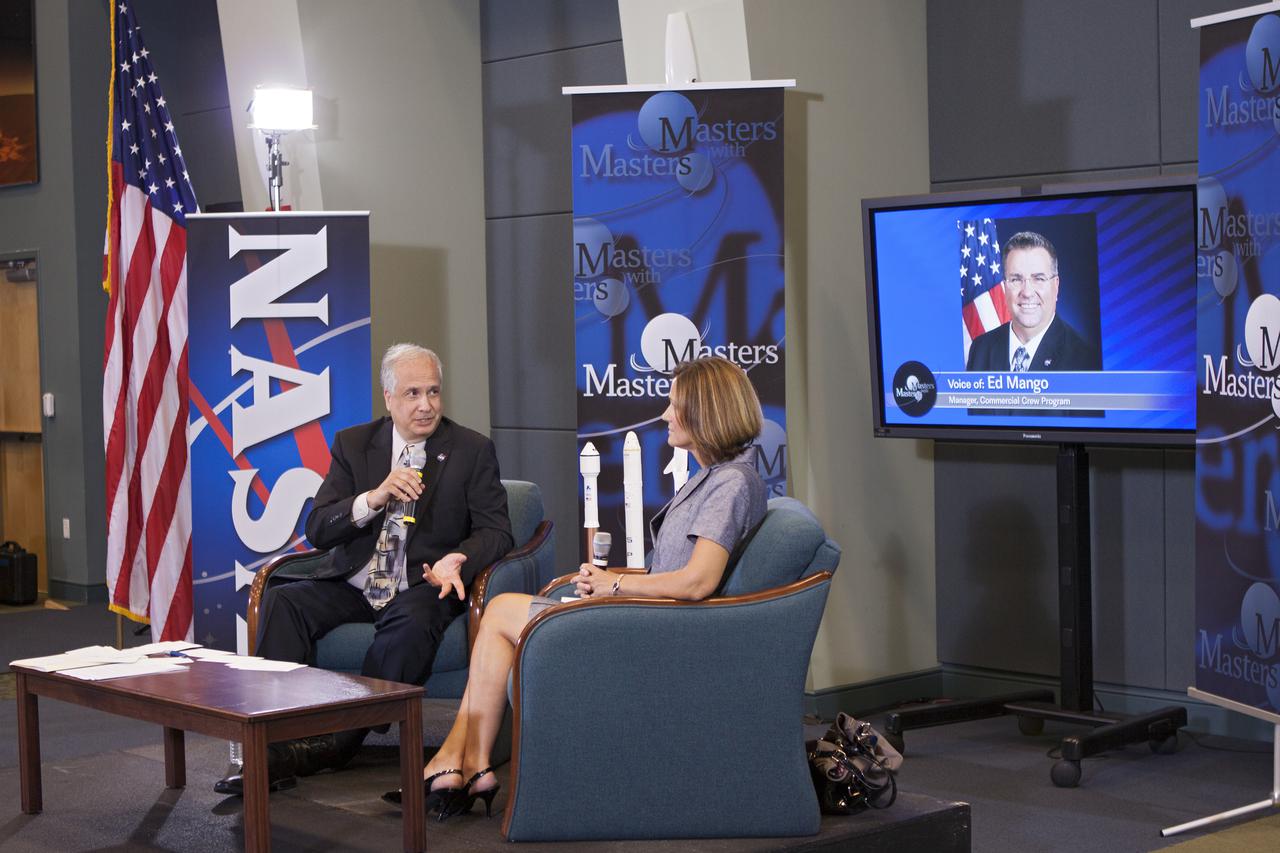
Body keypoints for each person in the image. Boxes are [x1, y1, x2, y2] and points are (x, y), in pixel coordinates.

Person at [383, 355, 768, 819]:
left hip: (664, 634)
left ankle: (458, 763)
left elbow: (698, 581)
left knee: (502, 610)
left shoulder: (730, 485)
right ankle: (468, 765)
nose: (664, 415)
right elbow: (680, 570)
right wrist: (610, 582)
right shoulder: (716, 478)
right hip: (653, 617)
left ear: (706, 412)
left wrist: (616, 585)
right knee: (501, 621)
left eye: (673, 405)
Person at [215, 343, 513, 795]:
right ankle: (269, 745)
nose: (426, 405)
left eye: (433, 392)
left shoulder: (471, 450)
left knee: (410, 623)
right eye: (413, 394)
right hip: (355, 582)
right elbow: (318, 527)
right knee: (284, 600)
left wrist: (459, 558)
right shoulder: (355, 445)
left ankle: (335, 743)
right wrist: (374, 498)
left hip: (422, 584)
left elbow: (497, 532)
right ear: (389, 398)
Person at [965, 231, 1100, 372]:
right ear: (1005, 287)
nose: (1027, 293)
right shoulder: (980, 349)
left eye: (1039, 279)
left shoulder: (1085, 361)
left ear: (1056, 286)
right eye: (1016, 279)